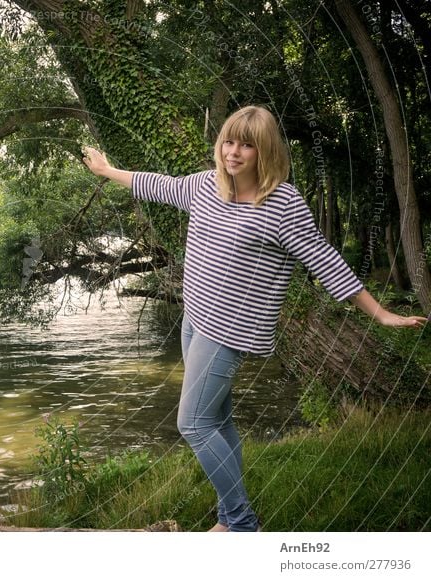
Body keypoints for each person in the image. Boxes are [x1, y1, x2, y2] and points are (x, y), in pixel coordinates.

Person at [81, 105, 427, 532]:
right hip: (195, 319)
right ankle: (228, 520)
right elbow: (158, 184)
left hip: (229, 331)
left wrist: (380, 313)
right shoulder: (206, 186)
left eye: (247, 144)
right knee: (218, 421)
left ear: (264, 151)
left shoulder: (283, 203)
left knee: (192, 423)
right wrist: (108, 170)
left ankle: (244, 525)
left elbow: (325, 261)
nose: (234, 151)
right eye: (229, 140)